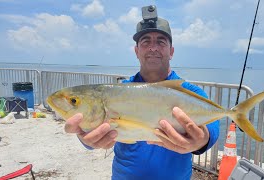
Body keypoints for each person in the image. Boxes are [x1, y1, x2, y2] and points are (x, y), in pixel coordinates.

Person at [64, 5, 220, 180]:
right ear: (137, 51)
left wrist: (204, 138)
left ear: (172, 51)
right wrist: (85, 137)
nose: (153, 47)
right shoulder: (120, 91)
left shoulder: (188, 91)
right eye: (146, 41)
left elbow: (213, 125)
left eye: (161, 41)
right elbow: (93, 131)